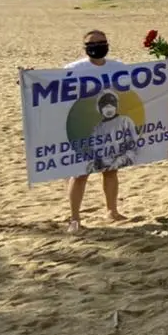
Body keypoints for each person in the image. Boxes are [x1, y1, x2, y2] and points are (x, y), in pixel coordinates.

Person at [59, 29, 129, 234]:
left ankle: (112, 210)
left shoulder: (118, 67)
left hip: (110, 128)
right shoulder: (73, 69)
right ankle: (74, 217)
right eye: (92, 43)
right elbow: (50, 87)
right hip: (84, 128)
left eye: (101, 42)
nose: (97, 46)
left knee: (110, 170)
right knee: (80, 173)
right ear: (85, 48)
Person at [86, 91, 139, 174]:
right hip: (104, 167)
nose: (109, 108)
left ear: (116, 106)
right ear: (99, 108)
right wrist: (94, 163)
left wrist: (121, 160)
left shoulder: (125, 121)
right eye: (104, 105)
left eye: (111, 104)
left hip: (122, 164)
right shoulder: (98, 128)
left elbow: (134, 146)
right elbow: (94, 150)